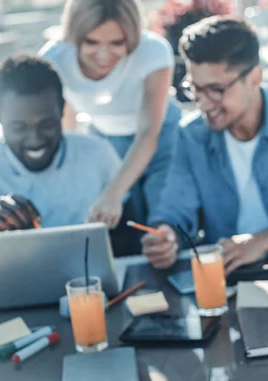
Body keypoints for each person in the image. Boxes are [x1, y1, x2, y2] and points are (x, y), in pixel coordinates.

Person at [141, 16, 268, 275]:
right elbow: (174, 211)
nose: (203, 102)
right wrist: (165, 237)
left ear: (255, 78)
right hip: (233, 273)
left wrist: (261, 241)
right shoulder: (192, 136)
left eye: (216, 89)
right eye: (195, 89)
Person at [0, 55, 138, 282]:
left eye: (46, 124)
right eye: (18, 127)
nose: (34, 140)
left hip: (88, 291)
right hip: (5, 296)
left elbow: (131, 240)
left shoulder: (98, 154)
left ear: (62, 109)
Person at [40, 0, 181, 228]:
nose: (103, 54)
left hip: (162, 138)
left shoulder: (153, 51)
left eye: (117, 42)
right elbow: (67, 131)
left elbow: (148, 133)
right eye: (91, 42)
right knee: (121, 222)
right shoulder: (55, 60)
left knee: (163, 220)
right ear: (75, 36)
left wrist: (113, 193)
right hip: (105, 141)